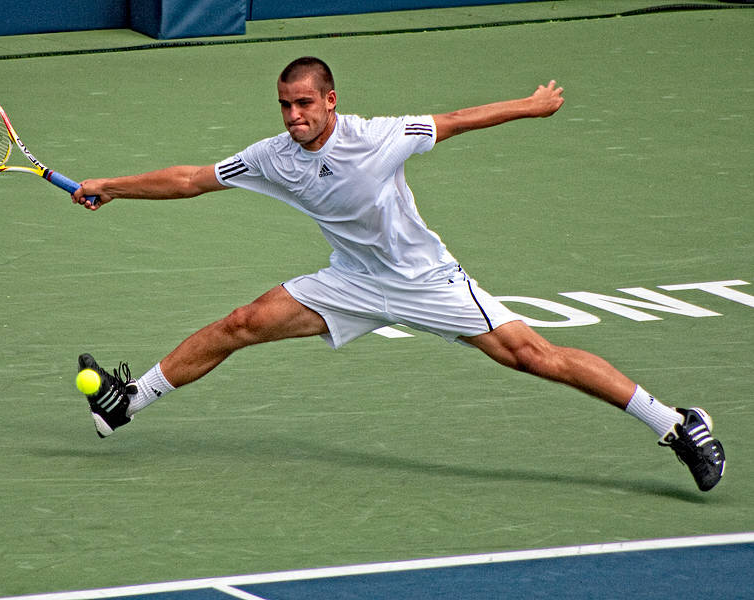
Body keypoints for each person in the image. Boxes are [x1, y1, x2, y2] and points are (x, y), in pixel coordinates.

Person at [71, 56, 725, 492]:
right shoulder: (273, 157)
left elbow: (457, 120)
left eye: (304, 104)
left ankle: (675, 422)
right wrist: (115, 187)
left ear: (331, 100)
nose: (293, 116)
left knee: (536, 356)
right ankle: (131, 402)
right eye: (283, 106)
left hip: (425, 280)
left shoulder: (381, 135)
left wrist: (530, 106)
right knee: (243, 322)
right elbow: (191, 180)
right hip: (351, 281)